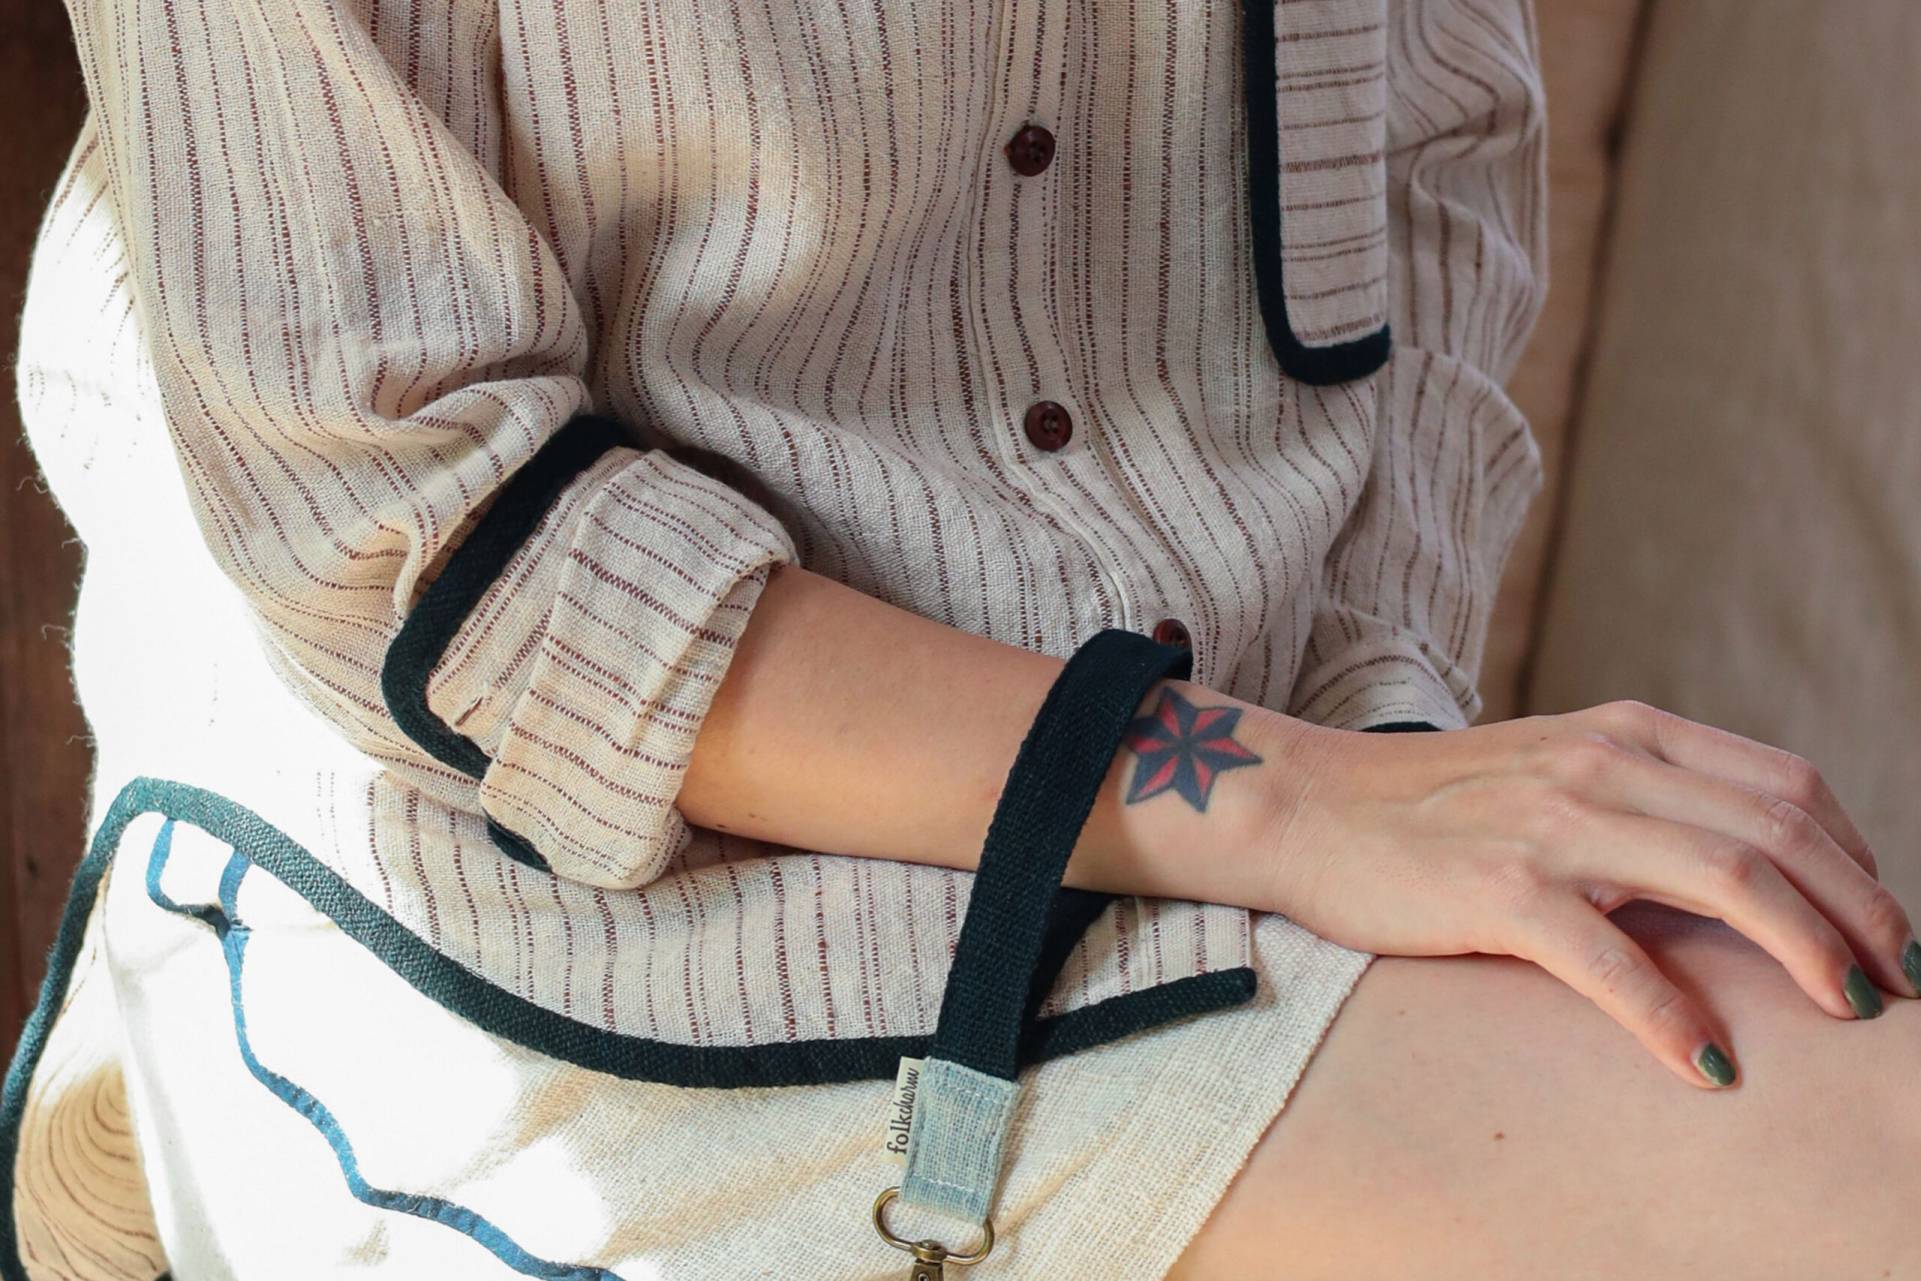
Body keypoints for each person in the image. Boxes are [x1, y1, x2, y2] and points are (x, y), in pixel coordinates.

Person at [5, 0, 1918, 1277]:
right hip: (582, 917)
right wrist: (1289, 800)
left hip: (1263, 822)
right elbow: (414, 516)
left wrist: (1392, 754)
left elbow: (1429, 172)